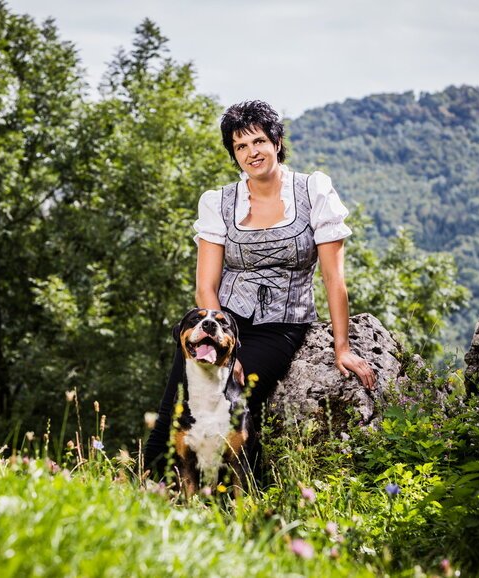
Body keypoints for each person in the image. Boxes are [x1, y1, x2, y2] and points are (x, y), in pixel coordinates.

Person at [143, 100, 375, 480]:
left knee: (233, 393)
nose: (252, 152)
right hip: (225, 318)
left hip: (280, 326)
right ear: (234, 154)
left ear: (277, 141)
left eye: (259, 141)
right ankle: (149, 487)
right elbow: (206, 284)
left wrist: (342, 347)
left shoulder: (313, 190)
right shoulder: (219, 202)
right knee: (179, 402)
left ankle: (223, 491)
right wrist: (218, 336)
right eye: (241, 146)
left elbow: (334, 278)